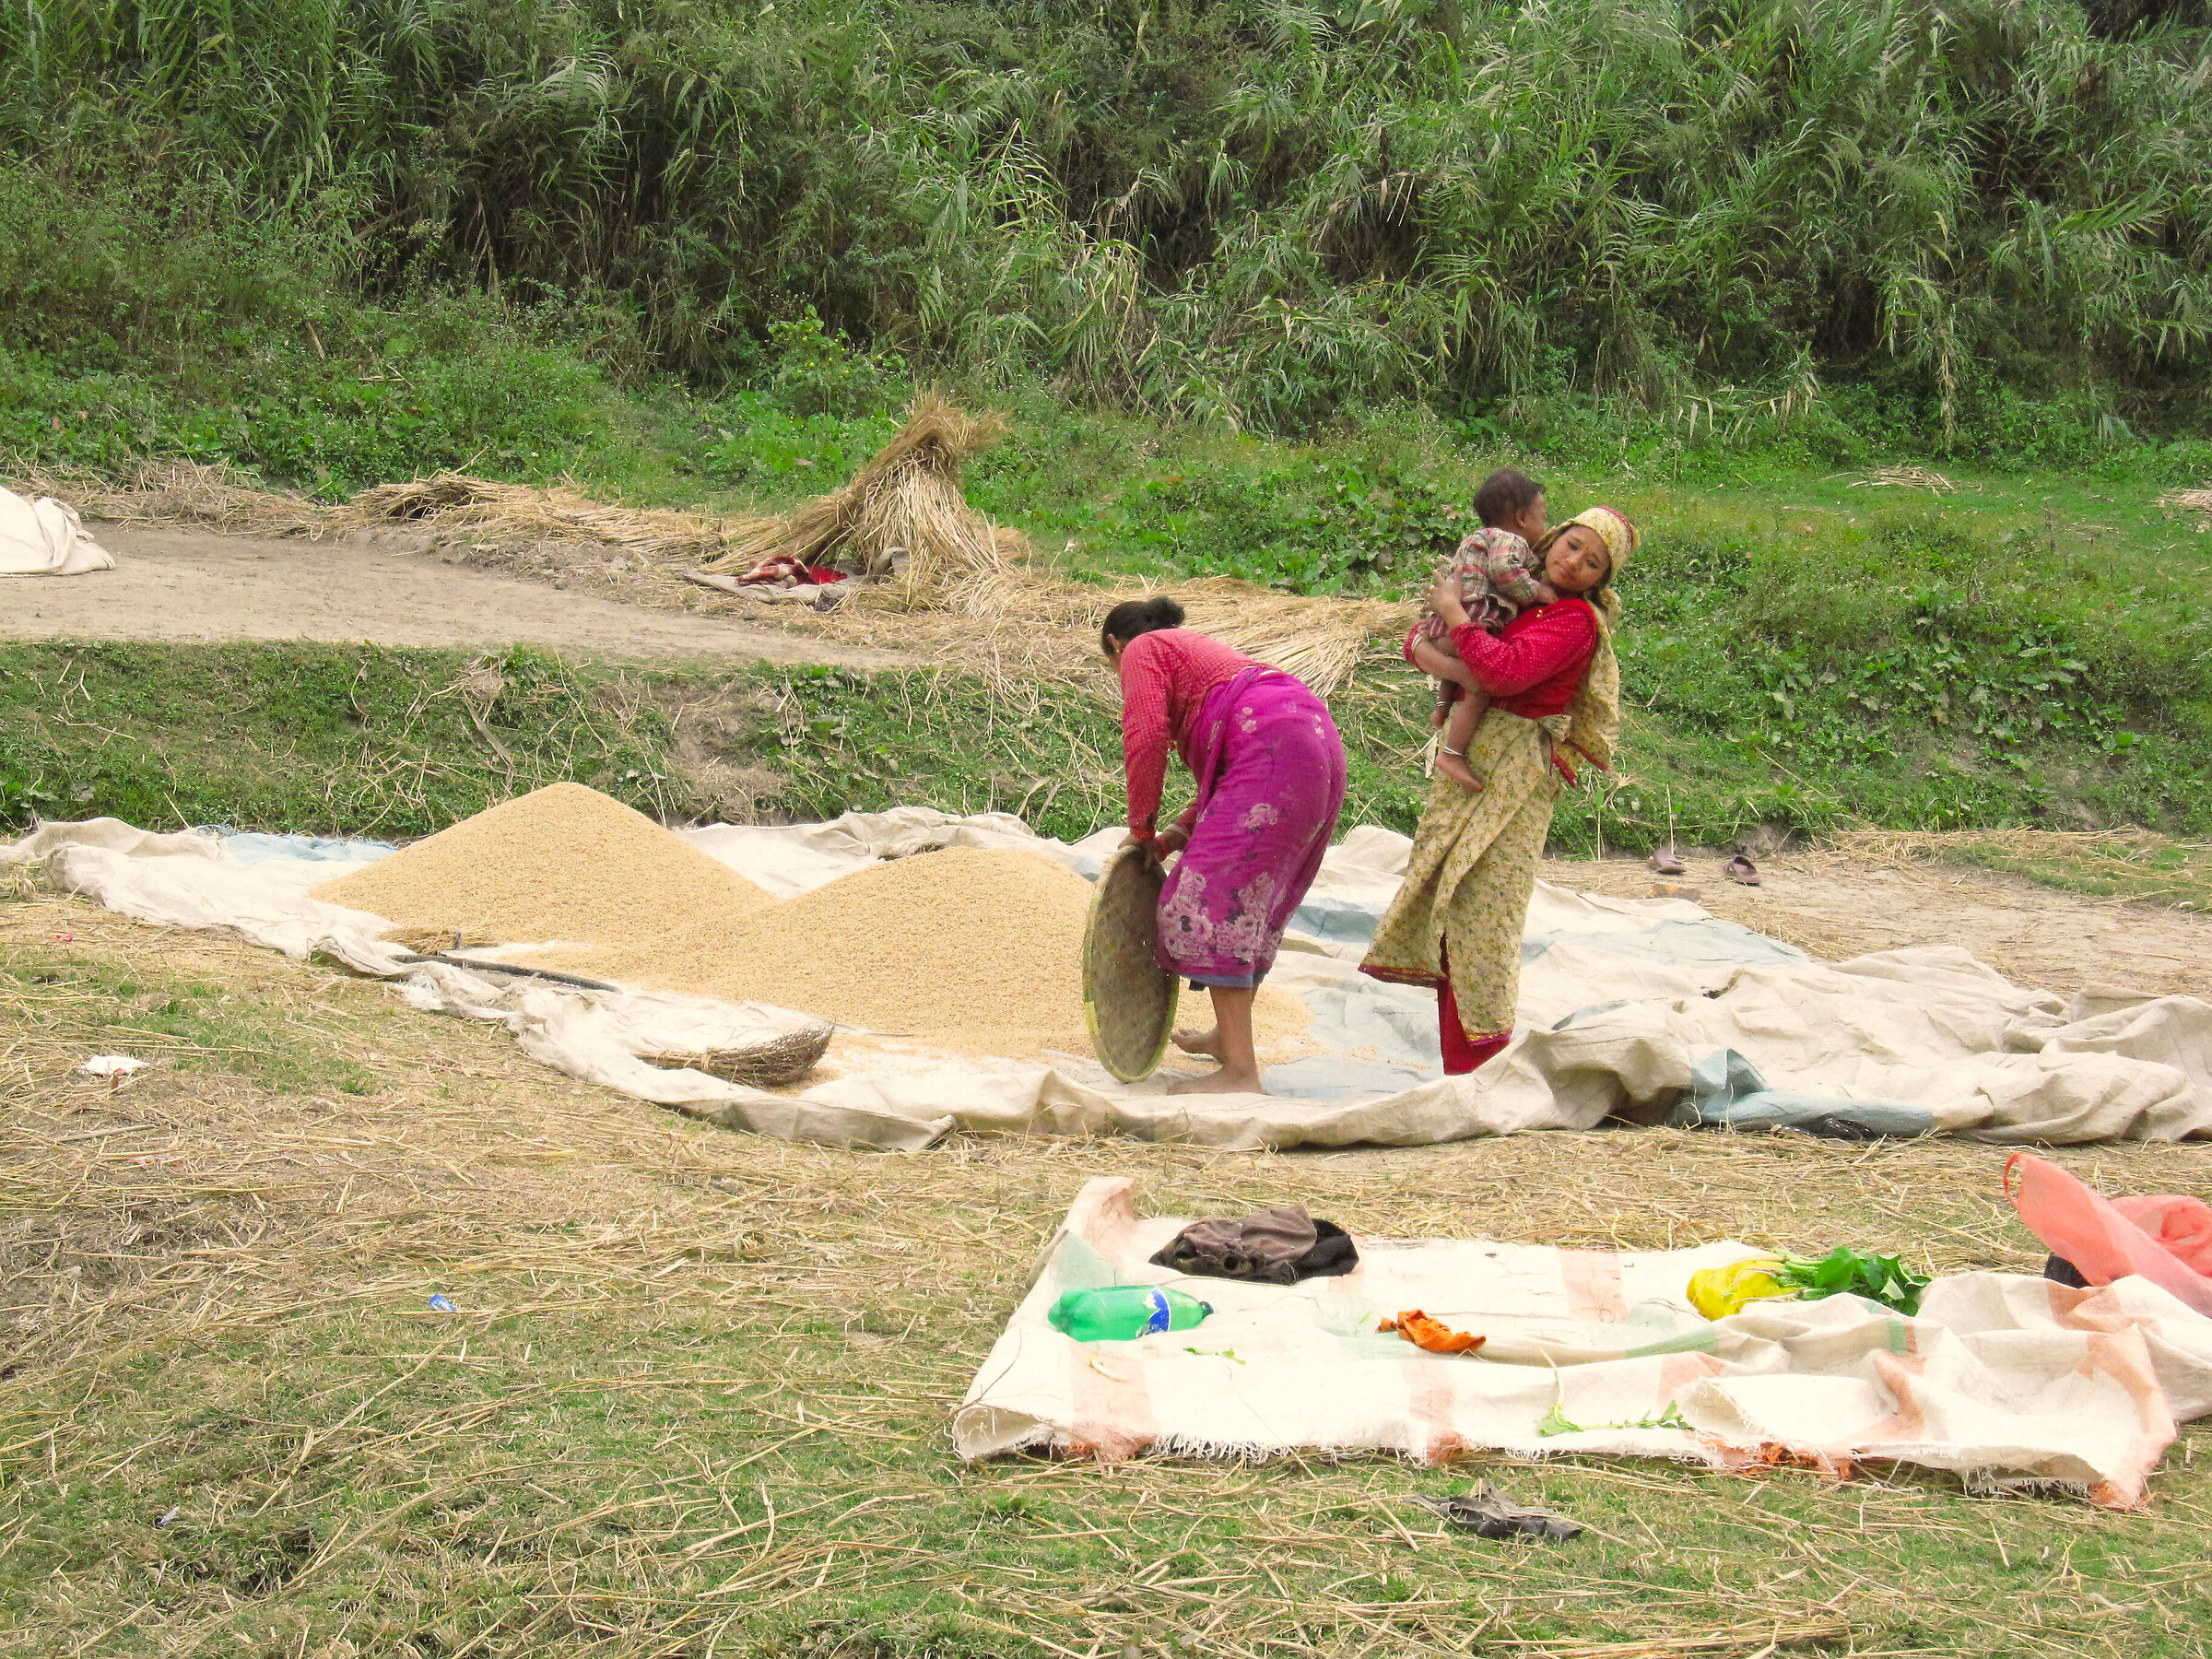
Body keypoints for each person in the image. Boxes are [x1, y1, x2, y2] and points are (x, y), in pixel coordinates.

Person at [1360, 508, 1638, 1075]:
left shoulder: (1572, 622)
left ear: (1602, 579)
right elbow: (1422, 641)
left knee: (1486, 914)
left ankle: (1480, 1066)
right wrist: (1449, 642)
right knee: (1448, 899)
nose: (1575, 562)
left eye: (1593, 562)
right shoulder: (1517, 597)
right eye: (1573, 545)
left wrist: (1455, 626)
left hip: (1515, 772)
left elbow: (1503, 674)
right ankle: (1460, 1066)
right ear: (1556, 538)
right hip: (1476, 758)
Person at [1105, 596, 1349, 1095]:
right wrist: (1173, 835)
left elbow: (1146, 733)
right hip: (1314, 739)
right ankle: (1227, 1039)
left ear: (1114, 645)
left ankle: (1240, 1072)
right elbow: (1231, 787)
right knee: (1248, 901)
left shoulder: (1142, 649)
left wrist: (1140, 828)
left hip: (1275, 744)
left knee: (1203, 900)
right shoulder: (1206, 661)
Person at [1418, 468, 1551, 794]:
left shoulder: (1477, 538)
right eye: (1543, 518)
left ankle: (1442, 707)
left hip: (1442, 626)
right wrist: (1537, 592)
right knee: (1479, 686)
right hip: (1471, 620)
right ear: (1521, 518)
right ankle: (1453, 753)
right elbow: (1505, 570)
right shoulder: (1511, 541)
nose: (1545, 527)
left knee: (1461, 665)